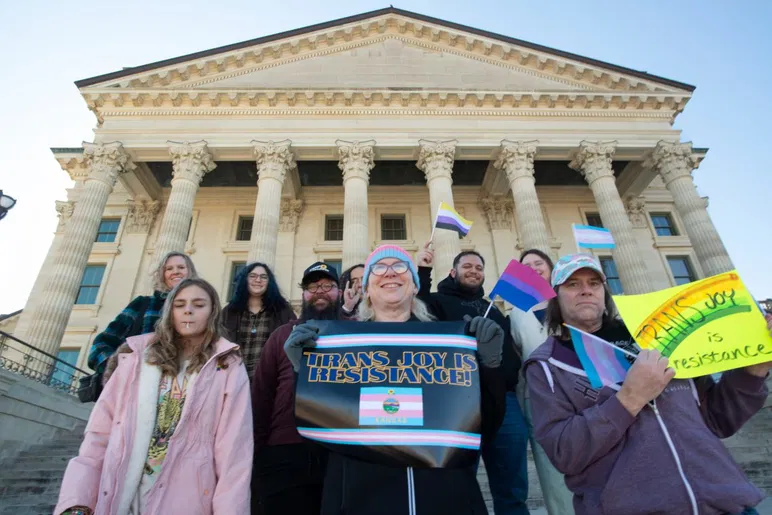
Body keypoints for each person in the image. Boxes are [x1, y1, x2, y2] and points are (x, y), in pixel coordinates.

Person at [525, 253, 771, 515]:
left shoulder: (661, 337)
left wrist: (754, 370)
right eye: (573, 284)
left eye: (594, 283)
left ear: (604, 292)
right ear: (556, 297)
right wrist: (629, 399)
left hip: (727, 504)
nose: (586, 290)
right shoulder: (547, 365)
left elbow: (718, 419)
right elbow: (564, 452)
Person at [284, 245, 507, 515]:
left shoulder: (449, 345)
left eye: (400, 266)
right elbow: (317, 428)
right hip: (360, 497)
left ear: (414, 286)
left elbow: (487, 424)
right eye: (379, 268)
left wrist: (490, 365)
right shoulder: (339, 347)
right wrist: (303, 371)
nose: (390, 273)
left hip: (447, 496)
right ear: (366, 289)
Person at [55, 278, 253, 515]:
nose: (188, 310)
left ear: (213, 312)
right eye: (180, 304)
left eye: (199, 304)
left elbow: (234, 454)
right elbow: (99, 436)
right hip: (123, 498)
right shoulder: (135, 359)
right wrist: (77, 502)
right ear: (170, 311)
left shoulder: (228, 366)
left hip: (186, 500)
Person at [415, 241, 529, 515]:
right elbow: (416, 306)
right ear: (453, 272)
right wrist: (422, 271)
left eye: (479, 267)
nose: (474, 271)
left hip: (504, 401)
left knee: (512, 488)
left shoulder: (493, 308)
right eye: (467, 266)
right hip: (460, 401)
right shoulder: (438, 303)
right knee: (459, 487)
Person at [250, 262, 340, 515]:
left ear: (340, 291)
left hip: (340, 452)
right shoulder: (281, 335)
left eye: (327, 286)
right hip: (286, 450)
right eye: (312, 287)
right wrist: (256, 454)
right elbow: (261, 398)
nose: (319, 291)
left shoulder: (356, 332)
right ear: (303, 294)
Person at [510, 250, 574, 515]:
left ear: (550, 268)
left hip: (576, 391)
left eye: (539, 263)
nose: (533, 268)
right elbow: (516, 355)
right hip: (536, 398)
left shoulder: (568, 300)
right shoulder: (516, 311)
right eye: (526, 266)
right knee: (551, 471)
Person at [88, 251, 198, 379]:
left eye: (181, 267)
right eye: (169, 269)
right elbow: (100, 345)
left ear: (190, 272)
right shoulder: (143, 304)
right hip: (138, 382)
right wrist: (118, 371)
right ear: (162, 275)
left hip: (184, 383)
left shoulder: (203, 309)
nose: (175, 271)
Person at [221, 261, 296, 380]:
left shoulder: (283, 311)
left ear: (269, 282)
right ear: (245, 280)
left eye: (263, 277)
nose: (258, 280)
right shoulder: (229, 312)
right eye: (253, 276)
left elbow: (293, 343)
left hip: (270, 381)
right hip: (235, 380)